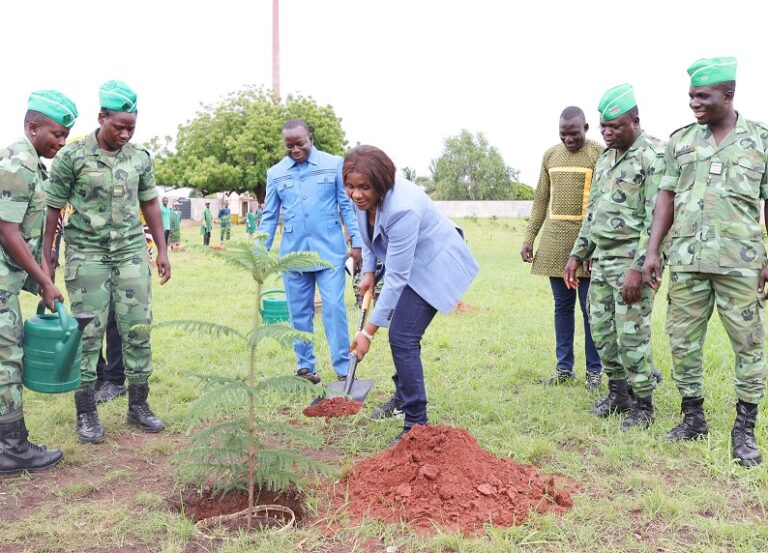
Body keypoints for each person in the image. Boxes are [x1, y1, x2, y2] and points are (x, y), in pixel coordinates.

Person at [642, 57, 768, 466]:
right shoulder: (680, 141)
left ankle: (744, 429)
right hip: (688, 261)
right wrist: (652, 250)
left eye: (703, 96)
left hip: (740, 262)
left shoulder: (760, 141)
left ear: (728, 95)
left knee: (749, 345)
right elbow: (666, 195)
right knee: (682, 341)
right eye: (691, 95)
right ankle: (693, 416)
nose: (694, 103)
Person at [43, 80, 170, 444]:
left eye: (132, 127)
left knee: (137, 329)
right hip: (87, 254)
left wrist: (161, 249)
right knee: (88, 333)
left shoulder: (140, 157)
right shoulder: (73, 156)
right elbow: (53, 208)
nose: (126, 134)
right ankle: (86, 412)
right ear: (101, 118)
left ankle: (139, 405)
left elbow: (150, 203)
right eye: (119, 126)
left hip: (130, 252)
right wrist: (48, 255)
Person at [344, 145, 479, 446]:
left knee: (402, 336)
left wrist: (367, 333)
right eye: (350, 187)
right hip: (406, 261)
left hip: (434, 264)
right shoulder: (362, 199)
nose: (356, 194)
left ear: (380, 182)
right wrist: (367, 272)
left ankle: (416, 423)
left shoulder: (403, 208)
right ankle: (404, 398)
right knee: (401, 335)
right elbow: (368, 237)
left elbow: (396, 278)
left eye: (364, 187)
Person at [564, 85, 665, 431]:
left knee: (631, 334)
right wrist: (577, 256)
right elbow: (593, 214)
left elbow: (657, 221)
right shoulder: (606, 159)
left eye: (615, 126)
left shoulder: (653, 157)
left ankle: (644, 406)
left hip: (632, 261)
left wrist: (639, 268)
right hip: (602, 261)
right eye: (603, 127)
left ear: (635, 121)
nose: (607, 133)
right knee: (603, 332)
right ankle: (618, 395)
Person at [0, 89, 77, 474]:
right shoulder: (19, 164)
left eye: (66, 137)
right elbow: (8, 232)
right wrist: (44, 282)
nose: (61, 143)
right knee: (6, 359)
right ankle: (13, 449)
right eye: (57, 135)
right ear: (33, 127)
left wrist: (43, 275)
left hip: (7, 281)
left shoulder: (31, 161)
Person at [258, 119, 362, 383]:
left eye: (300, 144)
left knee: (334, 308)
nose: (295, 150)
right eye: (289, 146)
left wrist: (358, 243)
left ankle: (342, 369)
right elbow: (269, 217)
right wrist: (260, 252)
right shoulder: (276, 173)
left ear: (310, 139)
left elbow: (346, 206)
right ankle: (305, 367)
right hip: (293, 256)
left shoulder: (333, 164)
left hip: (329, 254)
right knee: (298, 312)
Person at [521, 106, 603, 389]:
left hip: (586, 246)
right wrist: (529, 237)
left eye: (575, 134)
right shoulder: (550, 155)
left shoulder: (598, 154)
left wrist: (595, 246)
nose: (569, 139)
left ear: (586, 128)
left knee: (590, 310)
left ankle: (595, 371)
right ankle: (564, 369)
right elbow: (541, 199)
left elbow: (603, 203)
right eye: (564, 134)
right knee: (562, 308)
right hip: (555, 244)